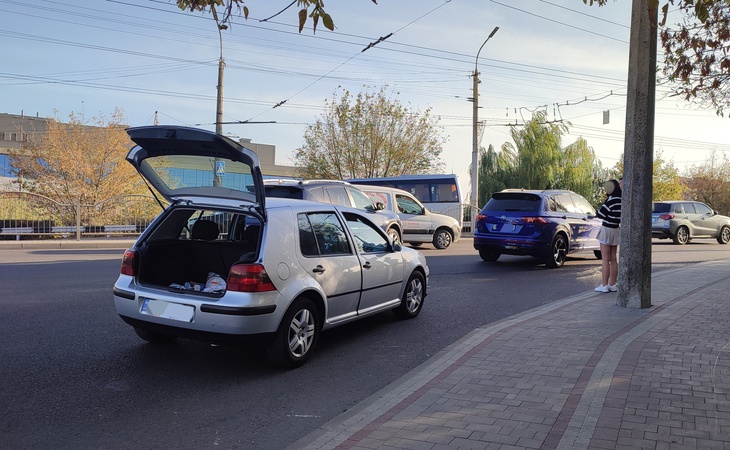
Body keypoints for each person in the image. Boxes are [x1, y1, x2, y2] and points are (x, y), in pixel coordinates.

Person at [595, 179, 622, 293]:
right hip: (616, 229)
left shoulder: (610, 200)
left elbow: (601, 214)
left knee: (605, 259)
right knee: (613, 259)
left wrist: (596, 211)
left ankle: (604, 285)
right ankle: (613, 284)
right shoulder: (621, 200)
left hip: (607, 229)